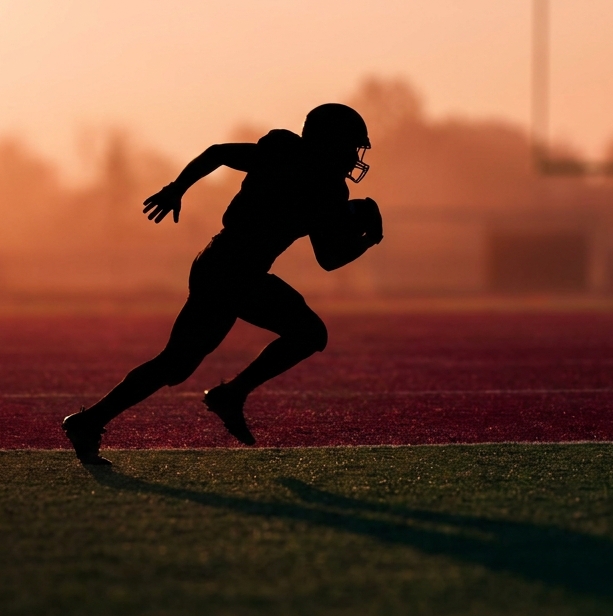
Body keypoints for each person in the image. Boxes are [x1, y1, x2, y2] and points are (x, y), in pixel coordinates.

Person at [61, 103, 383, 465]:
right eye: (350, 145)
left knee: (177, 364)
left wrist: (178, 187)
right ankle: (229, 395)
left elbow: (328, 257)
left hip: (228, 267)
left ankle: (91, 421)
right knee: (306, 334)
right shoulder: (294, 160)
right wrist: (368, 237)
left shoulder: (322, 184)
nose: (353, 156)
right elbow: (331, 257)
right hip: (230, 268)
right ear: (330, 141)